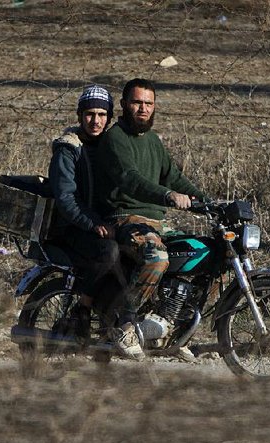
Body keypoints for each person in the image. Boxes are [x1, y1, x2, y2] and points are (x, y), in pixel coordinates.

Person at [95, 78, 209, 359]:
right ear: (124, 105)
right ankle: (125, 324)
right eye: (137, 103)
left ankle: (171, 327)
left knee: (208, 254)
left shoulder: (154, 142)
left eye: (148, 103)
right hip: (126, 218)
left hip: (157, 222)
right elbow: (131, 180)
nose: (143, 109)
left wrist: (207, 201)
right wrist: (168, 196)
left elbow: (175, 178)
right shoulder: (114, 139)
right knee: (156, 257)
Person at [47, 85, 123, 345]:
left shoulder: (111, 146)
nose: (96, 121)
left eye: (102, 114)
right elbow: (65, 197)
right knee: (109, 252)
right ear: (80, 115)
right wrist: (93, 224)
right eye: (90, 114)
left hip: (102, 223)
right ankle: (83, 308)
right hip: (71, 227)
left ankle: (112, 320)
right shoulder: (68, 149)